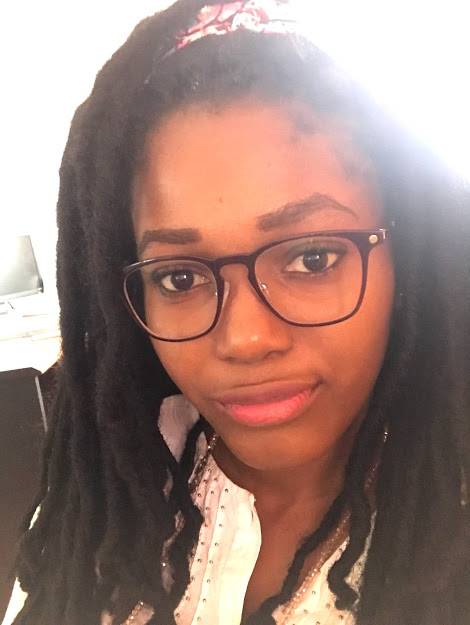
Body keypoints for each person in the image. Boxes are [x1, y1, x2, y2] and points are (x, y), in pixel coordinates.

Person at [3, 1, 469, 624]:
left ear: (406, 261)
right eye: (180, 277)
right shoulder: (105, 496)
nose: (246, 339)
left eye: (311, 259)